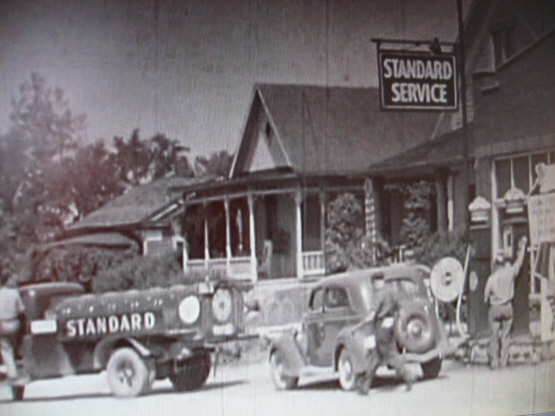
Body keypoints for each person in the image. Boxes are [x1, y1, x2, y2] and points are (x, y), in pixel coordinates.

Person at [357, 276, 412, 395]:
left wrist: (361, 324)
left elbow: (372, 313)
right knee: (375, 357)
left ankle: (407, 375)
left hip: (381, 326)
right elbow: (399, 307)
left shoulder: (378, 294)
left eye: (373, 284)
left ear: (375, 282)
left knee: (390, 355)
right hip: (390, 323)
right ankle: (365, 386)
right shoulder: (391, 291)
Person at [484, 235, 528, 369]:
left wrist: (490, 300)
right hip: (508, 307)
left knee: (494, 336)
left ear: (496, 264)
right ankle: (504, 361)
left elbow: (485, 297)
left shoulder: (491, 279)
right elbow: (519, 263)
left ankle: (494, 362)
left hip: (495, 308)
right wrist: (523, 248)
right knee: (506, 336)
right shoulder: (509, 273)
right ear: (504, 263)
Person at [0, 276, 25, 382]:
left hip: (2, 324)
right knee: (15, 344)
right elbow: (21, 310)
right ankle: (18, 362)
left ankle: (12, 374)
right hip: (15, 324)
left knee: (5, 349)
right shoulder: (14, 293)